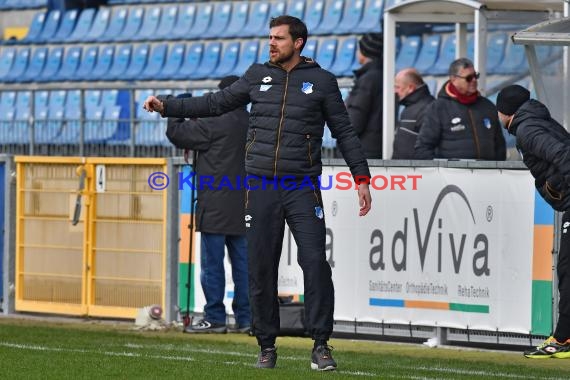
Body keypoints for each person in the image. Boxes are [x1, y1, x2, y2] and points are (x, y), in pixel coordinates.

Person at [144, 15, 372, 371]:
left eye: (278, 38)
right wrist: (168, 106)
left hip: (302, 186)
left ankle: (321, 344)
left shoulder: (322, 82)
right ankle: (267, 345)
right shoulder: (255, 75)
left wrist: (361, 178)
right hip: (261, 185)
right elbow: (215, 103)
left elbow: (344, 131)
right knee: (261, 268)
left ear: (298, 42)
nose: (271, 43)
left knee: (314, 263)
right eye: (270, 37)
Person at [165, 76, 251, 334]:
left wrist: (175, 107)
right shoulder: (253, 123)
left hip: (214, 204)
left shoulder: (212, 123)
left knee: (213, 265)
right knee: (244, 266)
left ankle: (215, 317)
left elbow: (176, 134)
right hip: (246, 203)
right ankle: (247, 319)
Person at [495, 84, 570, 359]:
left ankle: (563, 338)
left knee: (567, 270)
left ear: (505, 112)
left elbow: (564, 155)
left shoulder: (528, 130)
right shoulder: (538, 119)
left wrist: (560, 184)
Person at [415, 58, 506, 160]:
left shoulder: (487, 106)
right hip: (452, 174)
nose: (474, 80)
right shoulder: (438, 108)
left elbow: (500, 146)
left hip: (488, 174)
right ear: (454, 79)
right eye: (469, 78)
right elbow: (423, 148)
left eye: (475, 76)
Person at [345, 32, 383, 159]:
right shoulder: (380, 74)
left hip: (363, 150)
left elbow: (355, 118)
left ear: (364, 51)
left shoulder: (368, 79)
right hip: (373, 147)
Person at [392, 68, 435, 159]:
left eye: (397, 87)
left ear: (411, 88)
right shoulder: (409, 107)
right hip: (403, 170)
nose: (395, 91)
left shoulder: (428, 108)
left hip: (416, 171)